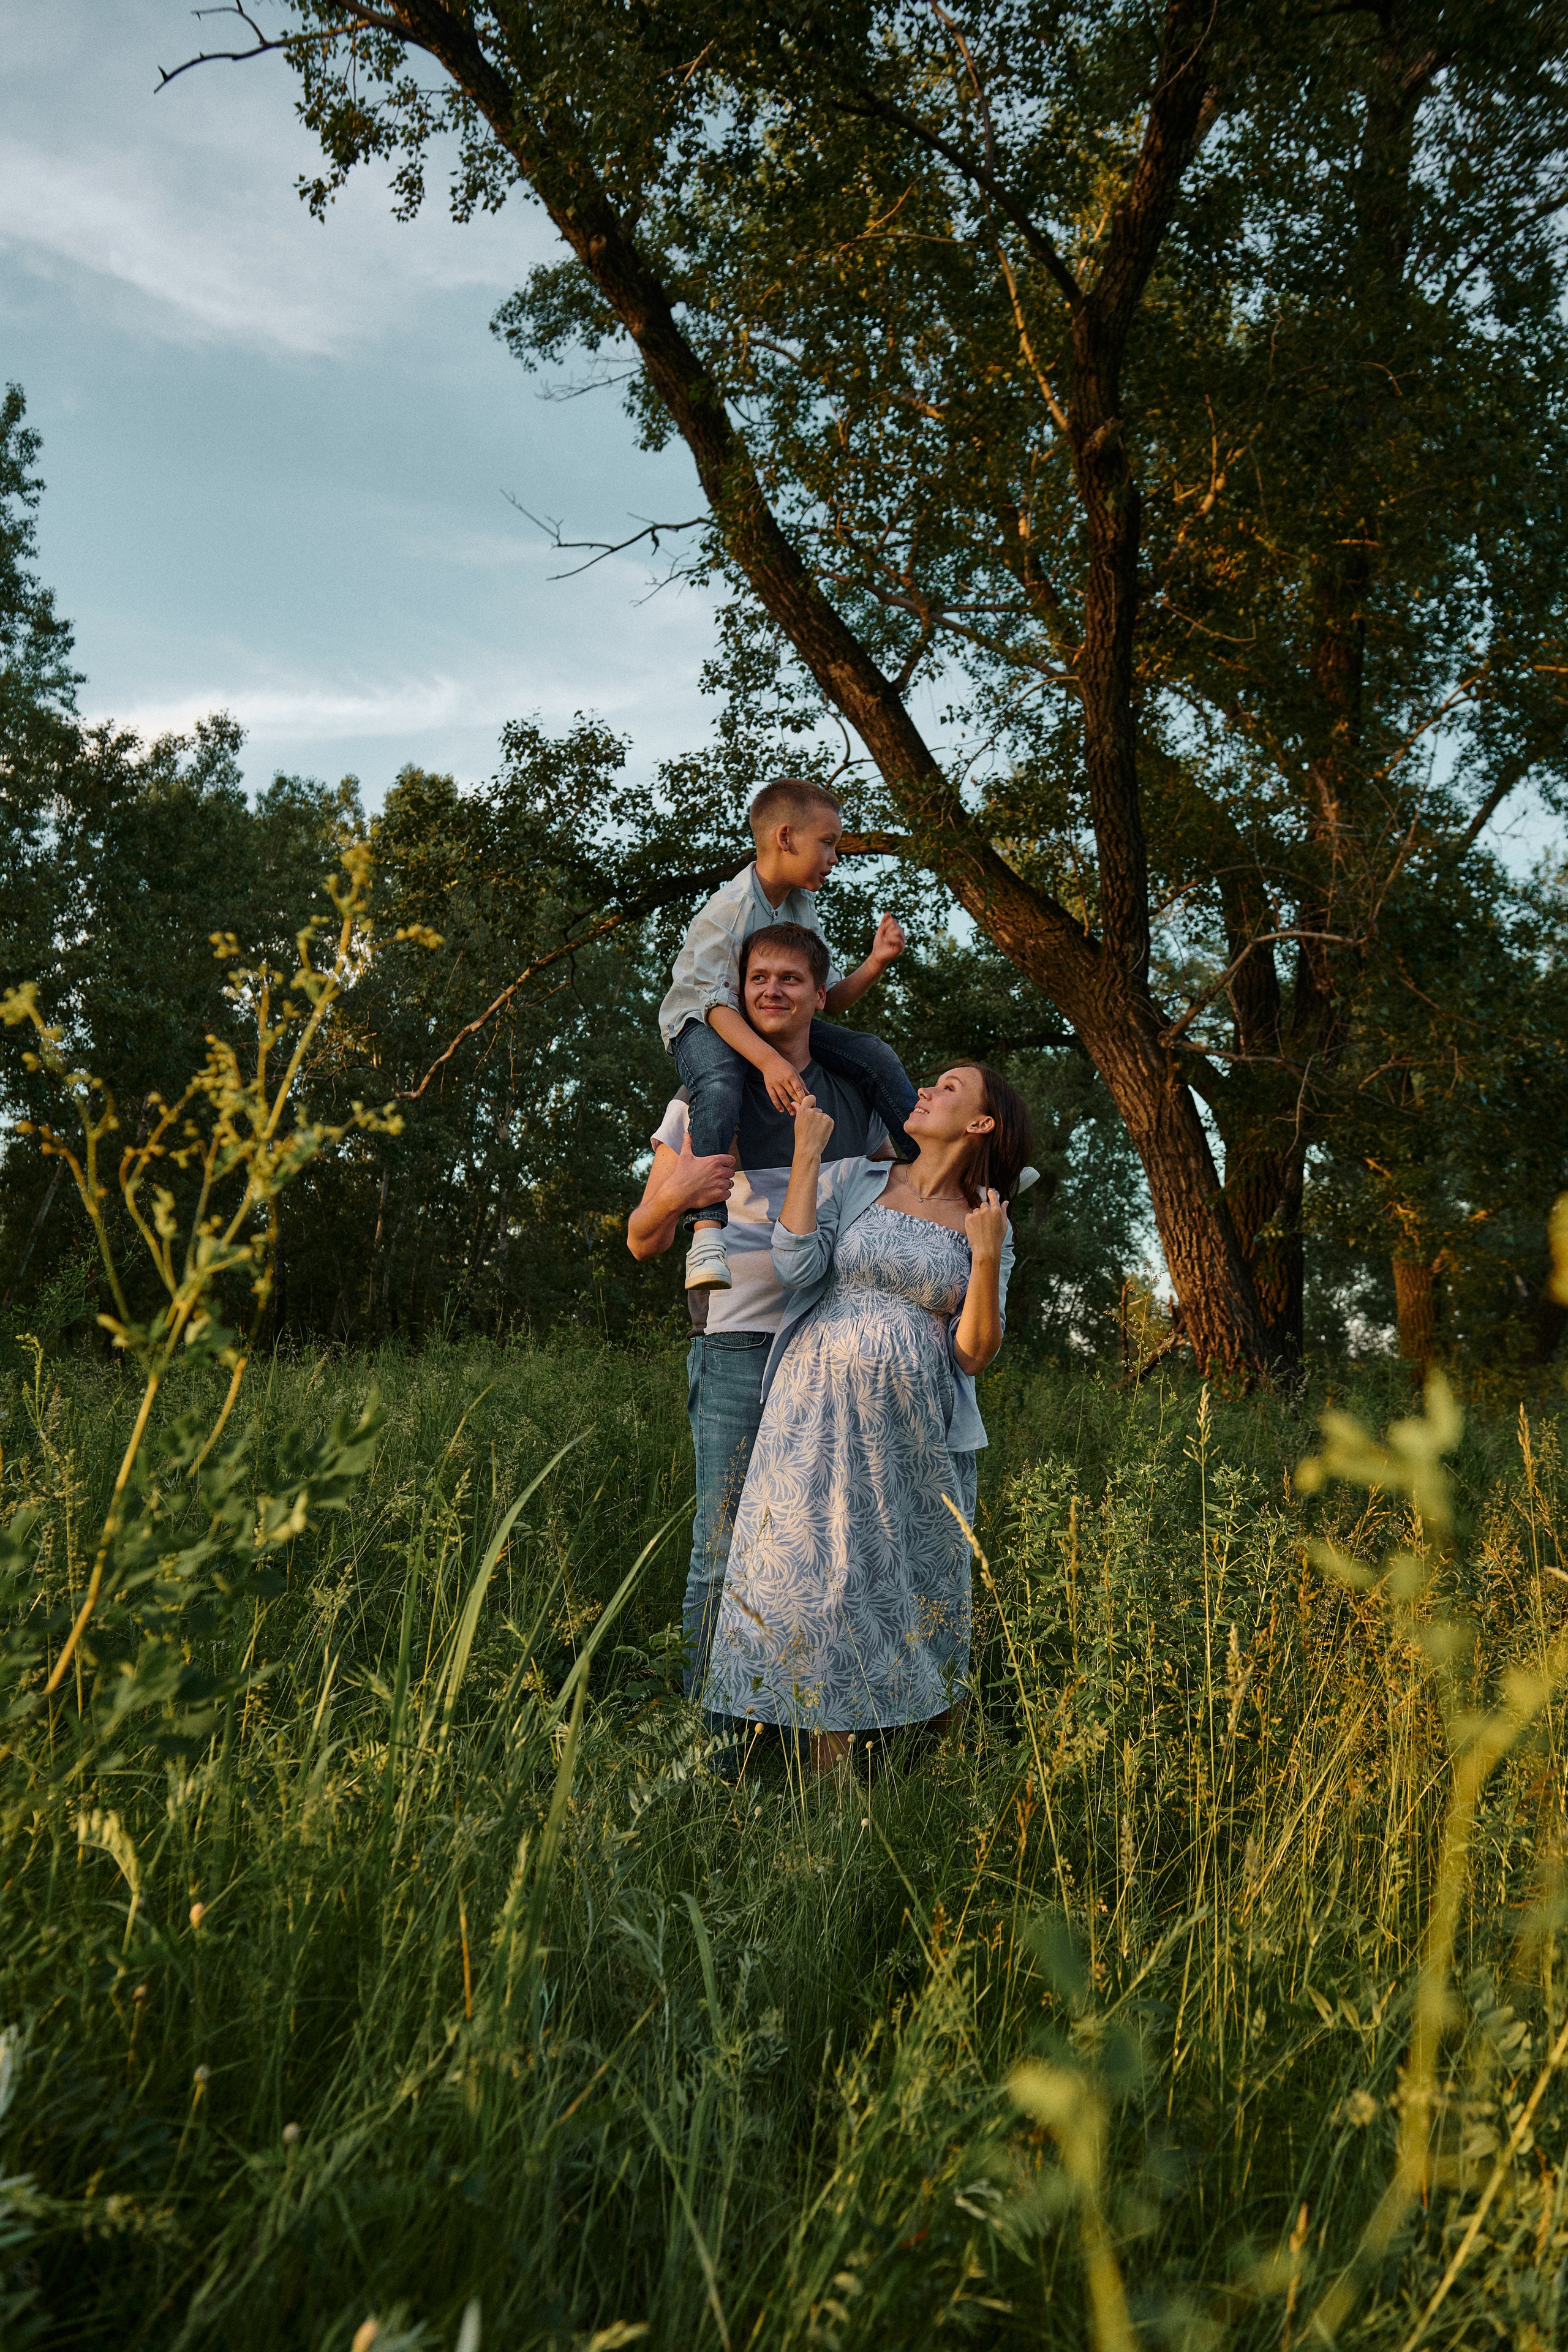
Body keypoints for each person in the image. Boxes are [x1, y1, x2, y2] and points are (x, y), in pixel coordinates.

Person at [701, 1062, 1035, 1771]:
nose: (926, 1090)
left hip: (913, 1439)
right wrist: (807, 1156)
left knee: (912, 1591)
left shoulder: (987, 1220)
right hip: (812, 1416)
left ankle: (935, 1769)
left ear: (981, 1123)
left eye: (949, 1088)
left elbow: (973, 1352)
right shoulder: (857, 1178)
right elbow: (796, 1267)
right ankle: (821, 1787)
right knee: (814, 1578)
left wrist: (985, 1257)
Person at [628, 922, 896, 1695]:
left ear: (820, 995)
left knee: (824, 1545)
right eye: (757, 979)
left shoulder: (859, 1093)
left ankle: (796, 1712)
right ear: (739, 995)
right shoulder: (704, 1098)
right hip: (738, 1342)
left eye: (789, 979)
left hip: (835, 1345)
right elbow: (642, 1240)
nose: (772, 991)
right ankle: (703, 1729)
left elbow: (901, 1202)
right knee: (724, 1546)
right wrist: (680, 1193)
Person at [656, 777, 917, 1293]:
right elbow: (716, 1007)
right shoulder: (730, 909)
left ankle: (943, 1167)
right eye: (828, 843)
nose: (834, 858)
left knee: (870, 1053)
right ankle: (706, 1232)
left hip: (764, 1023)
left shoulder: (799, 905)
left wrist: (875, 963)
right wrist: (770, 1062)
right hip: (701, 1023)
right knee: (721, 1082)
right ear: (785, 838)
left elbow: (825, 998)